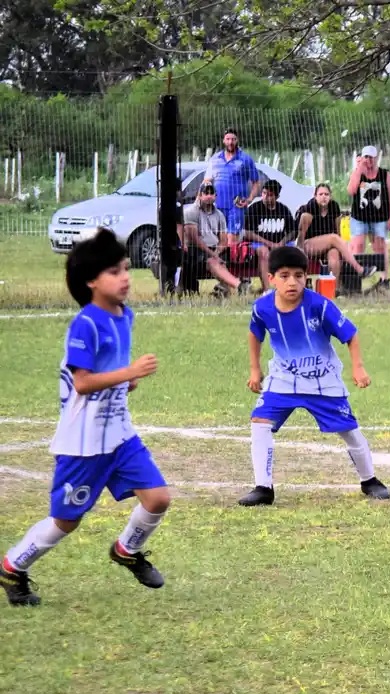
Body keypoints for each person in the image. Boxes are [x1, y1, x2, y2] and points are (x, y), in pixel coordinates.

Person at [0, 229, 170, 607]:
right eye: (114, 271)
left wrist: (124, 383)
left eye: (126, 268)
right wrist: (129, 373)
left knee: (158, 498)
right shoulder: (86, 324)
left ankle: (127, 550)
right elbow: (82, 382)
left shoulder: (125, 316)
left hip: (120, 435)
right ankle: (12, 567)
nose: (125, 277)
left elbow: (107, 373)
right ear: (91, 281)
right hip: (83, 444)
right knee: (66, 521)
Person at [237, 246, 390, 507]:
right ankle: (263, 487)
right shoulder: (262, 308)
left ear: (306, 278)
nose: (292, 282)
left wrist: (358, 368)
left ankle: (370, 480)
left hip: (322, 381)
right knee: (260, 421)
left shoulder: (319, 305)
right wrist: (255, 369)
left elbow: (350, 335)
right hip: (283, 379)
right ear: (271, 279)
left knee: (349, 430)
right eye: (284, 276)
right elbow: (255, 334)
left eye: (298, 276)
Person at [179, 182, 243, 296]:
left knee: (219, 261)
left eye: (211, 193)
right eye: (206, 193)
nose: (209, 196)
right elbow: (194, 239)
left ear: (215, 196)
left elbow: (223, 240)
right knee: (212, 261)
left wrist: (217, 252)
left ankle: (225, 289)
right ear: (200, 195)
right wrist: (213, 254)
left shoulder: (220, 215)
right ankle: (238, 285)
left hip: (215, 250)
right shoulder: (190, 212)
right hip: (196, 251)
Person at [347, 145, 390, 290]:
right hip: (359, 217)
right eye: (366, 157)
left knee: (379, 246)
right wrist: (358, 170)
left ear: (376, 158)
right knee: (358, 244)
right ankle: (355, 278)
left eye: (371, 157)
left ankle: (384, 279)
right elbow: (351, 190)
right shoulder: (357, 173)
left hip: (379, 217)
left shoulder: (385, 174)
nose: (369, 160)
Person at [296, 184, 364, 279]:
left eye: (326, 194)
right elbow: (301, 235)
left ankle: (335, 286)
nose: (324, 197)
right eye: (320, 194)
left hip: (328, 245)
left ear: (330, 196)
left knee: (334, 256)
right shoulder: (309, 208)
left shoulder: (334, 206)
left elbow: (338, 231)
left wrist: (341, 248)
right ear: (315, 196)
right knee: (333, 238)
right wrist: (300, 252)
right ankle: (359, 269)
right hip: (308, 246)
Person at [208, 128, 261, 242]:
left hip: (236, 207)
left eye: (233, 139)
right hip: (217, 206)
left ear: (237, 140)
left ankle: (232, 254)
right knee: (218, 239)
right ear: (223, 140)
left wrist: (249, 199)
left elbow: (256, 183)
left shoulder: (245, 159)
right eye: (228, 139)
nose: (230, 142)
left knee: (232, 240)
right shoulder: (215, 159)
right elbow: (207, 181)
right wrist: (200, 200)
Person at [242, 178, 295, 291]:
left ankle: (288, 287)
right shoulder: (254, 209)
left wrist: (281, 243)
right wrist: (269, 243)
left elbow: (292, 232)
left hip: (280, 242)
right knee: (264, 252)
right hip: (258, 243)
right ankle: (267, 290)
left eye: (270, 195)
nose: (265, 197)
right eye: (264, 193)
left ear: (277, 196)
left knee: (295, 252)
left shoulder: (283, 209)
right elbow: (247, 233)